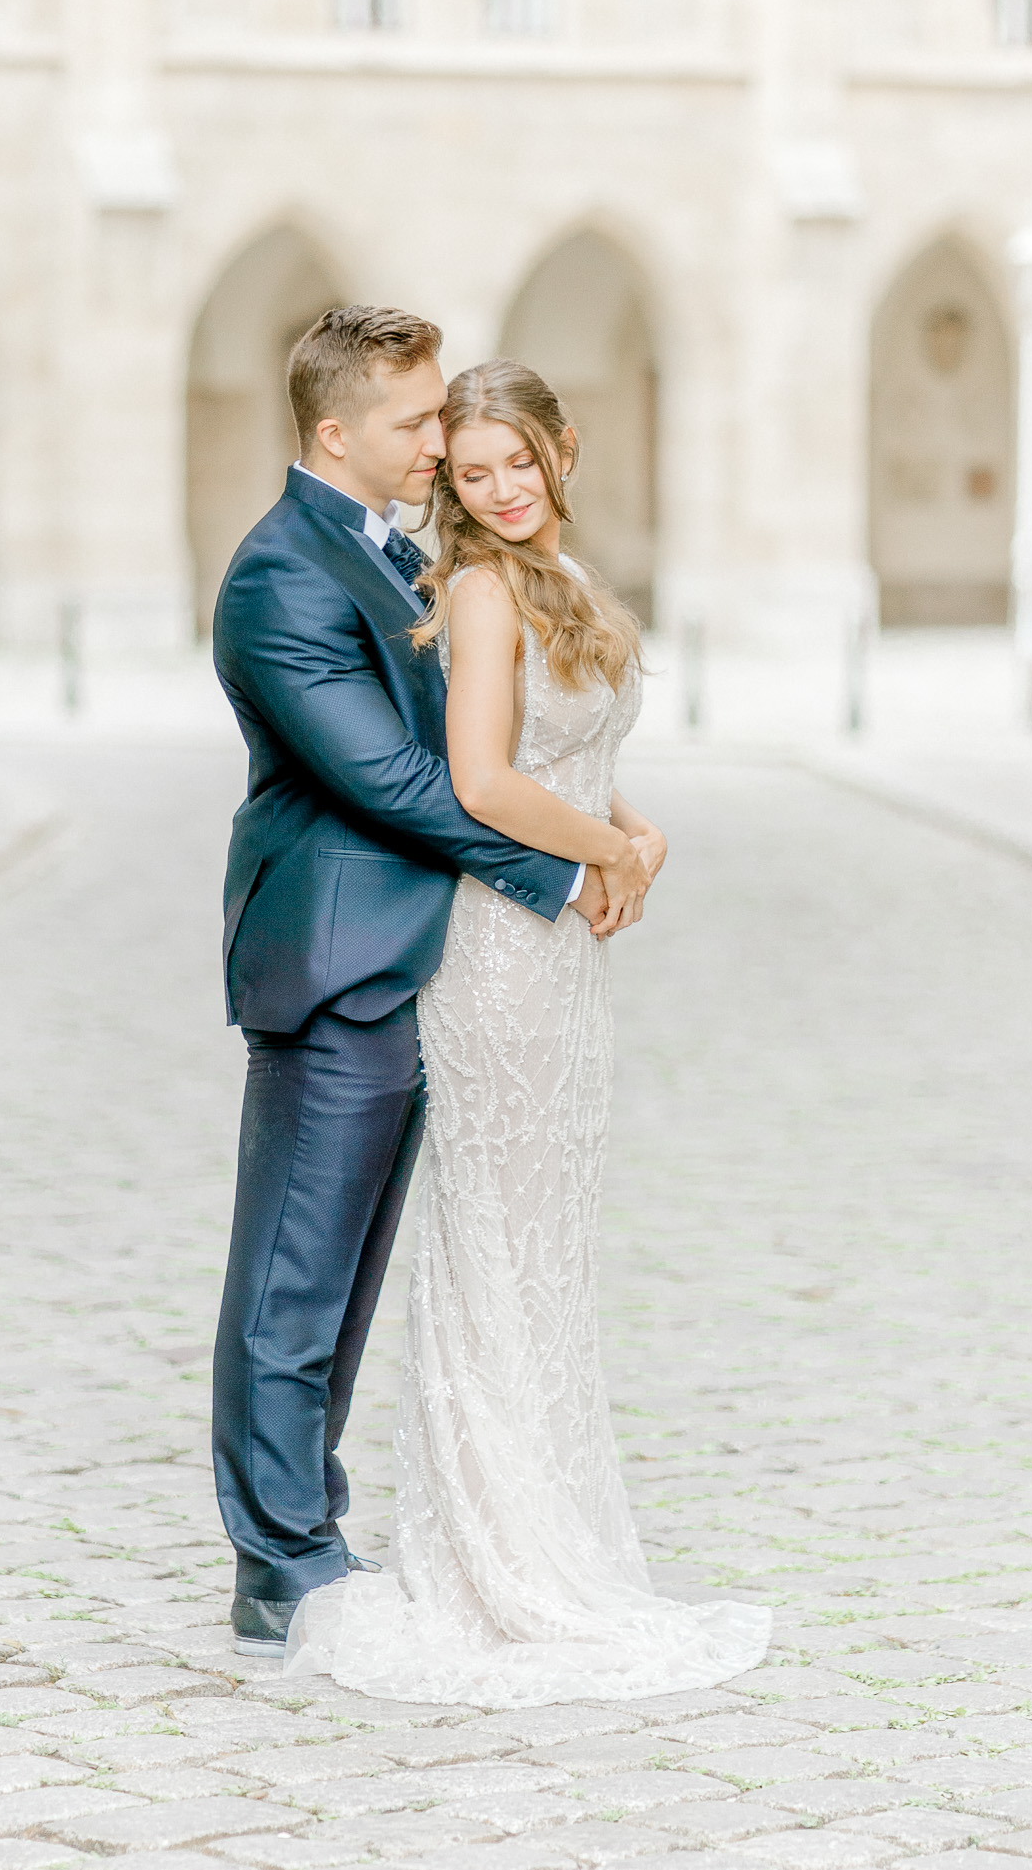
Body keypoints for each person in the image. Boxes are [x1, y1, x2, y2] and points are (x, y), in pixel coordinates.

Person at [285, 358, 769, 1704]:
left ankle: (552, 1529)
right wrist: (609, 845)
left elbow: (587, 762)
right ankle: (495, 1559)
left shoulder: (568, 585)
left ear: (563, 453)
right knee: (494, 1243)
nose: (499, 491)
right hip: (500, 955)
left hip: (567, 962)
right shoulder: (484, 593)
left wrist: (638, 829)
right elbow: (486, 781)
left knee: (547, 1246)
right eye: (476, 470)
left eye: (520, 464)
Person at [209, 308, 651, 1656]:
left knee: (353, 1282)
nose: (436, 444)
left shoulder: (393, 554)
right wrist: (568, 871)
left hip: (431, 969)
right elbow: (401, 781)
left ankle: (320, 1523)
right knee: (295, 1279)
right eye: (415, 424)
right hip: (340, 960)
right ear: (336, 431)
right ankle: (280, 1558)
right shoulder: (279, 575)